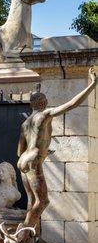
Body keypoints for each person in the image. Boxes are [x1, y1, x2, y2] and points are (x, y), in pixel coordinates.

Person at [17, 67, 97, 233]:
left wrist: (43, 150)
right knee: (43, 201)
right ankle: (22, 235)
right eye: (45, 100)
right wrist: (93, 84)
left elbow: (20, 151)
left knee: (33, 201)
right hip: (33, 160)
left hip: (23, 160)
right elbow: (72, 104)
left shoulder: (24, 124)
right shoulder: (45, 114)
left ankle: (33, 239)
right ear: (43, 103)